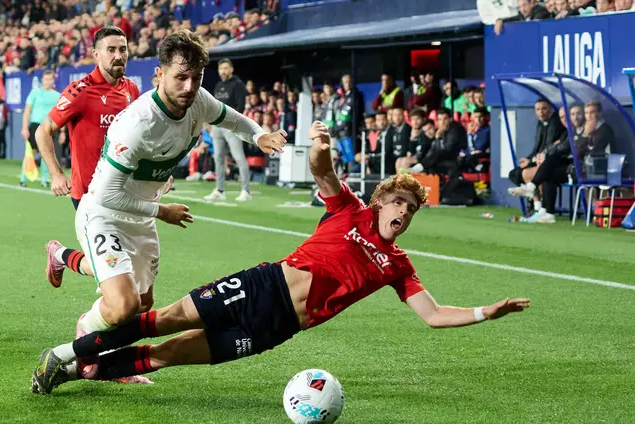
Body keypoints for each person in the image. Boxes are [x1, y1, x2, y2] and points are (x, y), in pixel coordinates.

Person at [30, 121, 531, 395]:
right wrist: (320, 146)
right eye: (399, 202)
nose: (404, 211)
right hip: (261, 285)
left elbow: (434, 315)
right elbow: (322, 172)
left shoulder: (397, 265)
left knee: (172, 354)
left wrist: (490, 311)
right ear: (380, 202)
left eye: (412, 208)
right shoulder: (349, 211)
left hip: (278, 327)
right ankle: (67, 353)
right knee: (160, 321)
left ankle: (72, 373)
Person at [38, 30, 287, 386]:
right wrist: (162, 211)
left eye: (196, 78)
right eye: (180, 78)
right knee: (121, 306)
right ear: (159, 74)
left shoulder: (197, 100)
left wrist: (258, 134)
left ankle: (105, 349)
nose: (188, 87)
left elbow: (231, 118)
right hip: (105, 214)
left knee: (140, 306)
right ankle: (85, 335)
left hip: (141, 215)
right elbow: (107, 196)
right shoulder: (137, 124)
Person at [36, 26, 141, 212]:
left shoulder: (131, 89)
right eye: (111, 50)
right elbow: (43, 131)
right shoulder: (80, 91)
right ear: (96, 54)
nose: (118, 55)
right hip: (89, 194)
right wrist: (56, 174)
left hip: (125, 190)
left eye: (122, 49)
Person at [204, 58, 251, 202]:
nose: (223, 71)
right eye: (220, 69)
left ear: (231, 69)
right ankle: (220, 190)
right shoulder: (218, 85)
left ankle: (246, 191)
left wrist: (232, 123)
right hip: (217, 126)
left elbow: (241, 106)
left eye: (225, 68)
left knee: (238, 157)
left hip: (232, 126)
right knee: (218, 158)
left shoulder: (238, 85)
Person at [20, 70, 61, 187]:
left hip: (48, 126)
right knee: (30, 152)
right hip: (34, 125)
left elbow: (61, 114)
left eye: (50, 79)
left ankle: (45, 180)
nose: (48, 81)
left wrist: (62, 131)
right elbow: (27, 111)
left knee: (46, 154)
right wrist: (24, 128)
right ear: (42, 80)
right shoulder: (35, 93)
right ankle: (23, 178)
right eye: (46, 79)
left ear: (53, 80)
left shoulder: (57, 96)